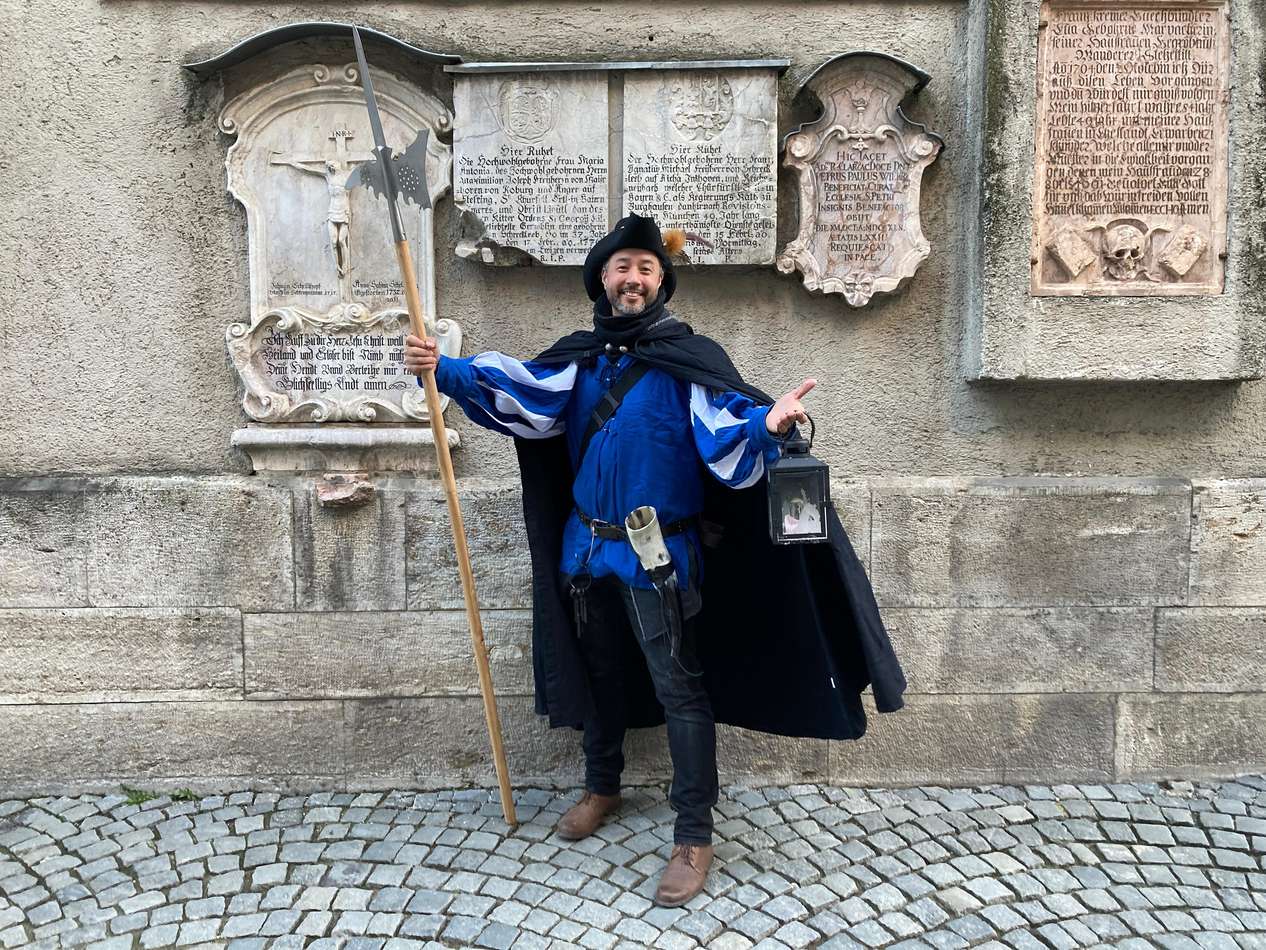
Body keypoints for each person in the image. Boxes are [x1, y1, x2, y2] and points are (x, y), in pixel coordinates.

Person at [405, 214, 906, 907]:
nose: (633, 278)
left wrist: (767, 424)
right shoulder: (580, 362)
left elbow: (725, 432)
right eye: (622, 268)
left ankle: (694, 833)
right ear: (603, 281)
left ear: (661, 282)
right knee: (601, 672)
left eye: (645, 268)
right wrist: (445, 370)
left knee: (679, 688)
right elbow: (523, 391)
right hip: (587, 548)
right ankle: (602, 784)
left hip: (658, 554)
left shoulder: (688, 361)